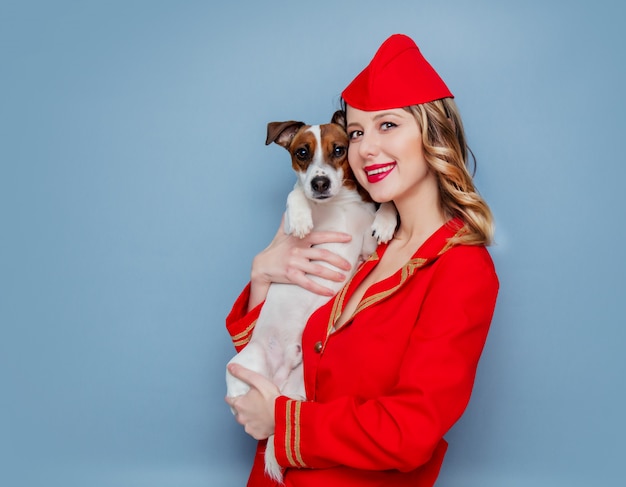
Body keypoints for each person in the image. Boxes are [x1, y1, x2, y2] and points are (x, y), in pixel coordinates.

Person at [225, 33, 499, 487]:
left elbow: (408, 433)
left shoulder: (461, 270)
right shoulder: (367, 241)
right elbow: (279, 355)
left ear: (433, 133)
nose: (365, 149)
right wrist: (262, 276)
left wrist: (282, 420)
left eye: (387, 125)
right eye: (355, 132)